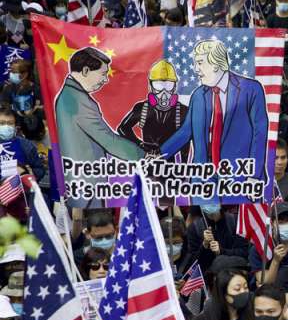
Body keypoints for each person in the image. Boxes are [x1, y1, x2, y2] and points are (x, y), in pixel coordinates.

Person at [160, 40, 268, 192]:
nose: (196, 69)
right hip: (203, 179)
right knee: (204, 216)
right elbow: (186, 132)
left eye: (199, 63)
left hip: (241, 177)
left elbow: (260, 133)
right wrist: (159, 155)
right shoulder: (198, 94)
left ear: (216, 63)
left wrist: (254, 175)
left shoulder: (251, 89)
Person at [54, 47, 144, 208]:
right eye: (103, 74)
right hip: (86, 186)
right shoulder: (76, 100)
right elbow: (108, 140)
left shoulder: (72, 94)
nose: (106, 79)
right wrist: (144, 157)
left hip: (85, 182)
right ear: (86, 70)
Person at [117, 60, 188, 157]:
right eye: (158, 85)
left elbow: (187, 139)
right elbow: (122, 128)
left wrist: (184, 167)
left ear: (175, 87)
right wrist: (140, 144)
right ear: (150, 86)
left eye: (168, 85)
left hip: (171, 166)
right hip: (146, 160)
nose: (164, 92)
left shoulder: (183, 111)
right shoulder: (142, 108)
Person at [185, 203, 249, 273]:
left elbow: (244, 252)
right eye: (206, 200)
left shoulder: (235, 221)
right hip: (209, 277)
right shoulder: (194, 228)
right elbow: (193, 262)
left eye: (214, 200)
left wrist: (221, 251)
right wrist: (204, 245)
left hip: (234, 272)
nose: (210, 202)